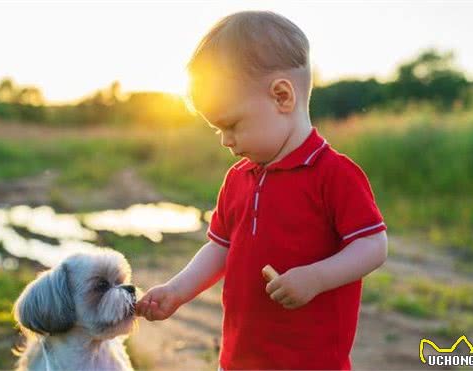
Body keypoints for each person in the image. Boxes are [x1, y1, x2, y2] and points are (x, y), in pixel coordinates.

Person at [135, 10, 388, 370]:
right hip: (239, 360)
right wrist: (177, 290)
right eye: (216, 129)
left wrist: (316, 277)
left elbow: (373, 246)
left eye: (231, 124)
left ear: (282, 97)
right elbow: (220, 248)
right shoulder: (238, 178)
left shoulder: (334, 174)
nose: (224, 140)